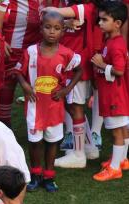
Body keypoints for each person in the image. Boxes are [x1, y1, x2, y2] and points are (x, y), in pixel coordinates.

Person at [15, 11, 82, 192]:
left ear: (63, 32)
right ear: (41, 28)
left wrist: (66, 90)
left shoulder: (67, 54)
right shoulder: (30, 52)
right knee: (35, 142)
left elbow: (79, 70)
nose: (52, 31)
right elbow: (18, 71)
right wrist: (25, 86)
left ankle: (49, 176)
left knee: (52, 142)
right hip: (34, 107)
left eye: (57, 28)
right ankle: (35, 175)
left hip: (54, 108)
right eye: (48, 27)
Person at [45, 0, 102, 167]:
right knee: (72, 107)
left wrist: (60, 18)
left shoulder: (85, 7)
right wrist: (65, 22)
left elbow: (49, 11)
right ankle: (89, 147)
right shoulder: (79, 8)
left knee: (75, 107)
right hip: (73, 65)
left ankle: (78, 155)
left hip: (77, 66)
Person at [91, 0, 129, 181]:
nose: (99, 23)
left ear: (117, 23)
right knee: (122, 129)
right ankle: (122, 159)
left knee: (116, 132)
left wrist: (101, 65)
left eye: (104, 20)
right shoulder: (113, 41)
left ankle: (115, 168)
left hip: (115, 96)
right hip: (116, 94)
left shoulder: (116, 45)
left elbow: (119, 70)